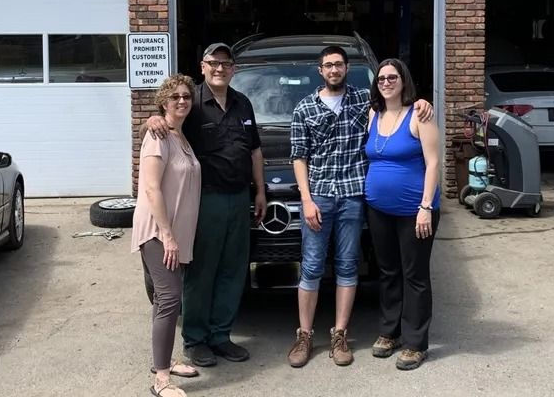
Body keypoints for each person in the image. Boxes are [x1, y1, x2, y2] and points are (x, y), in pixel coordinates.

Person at [287, 46, 433, 368]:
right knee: (311, 266)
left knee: (349, 266)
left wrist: (422, 101)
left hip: (354, 196)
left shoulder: (363, 103)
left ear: (347, 68)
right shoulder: (303, 108)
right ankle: (305, 334)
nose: (334, 70)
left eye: (339, 64)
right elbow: (299, 156)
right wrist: (306, 199)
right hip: (321, 197)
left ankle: (340, 334)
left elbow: (401, 105)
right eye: (328, 65)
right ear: (320, 70)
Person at [146, 43, 266, 368]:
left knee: (233, 269)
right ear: (203, 66)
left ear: (233, 69)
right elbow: (166, 119)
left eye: (226, 64)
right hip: (206, 200)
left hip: (240, 197)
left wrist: (260, 191)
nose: (220, 69)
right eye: (214, 63)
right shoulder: (192, 102)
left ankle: (221, 336)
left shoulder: (243, 104)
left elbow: (254, 150)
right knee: (202, 271)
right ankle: (196, 340)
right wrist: (152, 120)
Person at [365, 58, 441, 371]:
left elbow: (434, 163)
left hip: (415, 211)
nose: (386, 82)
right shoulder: (372, 113)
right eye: (381, 78)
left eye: (392, 77)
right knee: (388, 272)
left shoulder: (419, 114)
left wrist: (425, 207)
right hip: (378, 209)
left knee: (416, 276)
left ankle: (415, 342)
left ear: (403, 80)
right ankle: (390, 332)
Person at [132, 74, 201, 397]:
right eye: (175, 97)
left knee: (164, 300)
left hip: (174, 233)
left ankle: (165, 360)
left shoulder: (180, 136)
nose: (182, 101)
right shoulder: (158, 136)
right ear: (163, 102)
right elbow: (150, 187)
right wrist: (167, 235)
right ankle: (161, 379)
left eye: (186, 96)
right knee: (170, 300)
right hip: (160, 233)